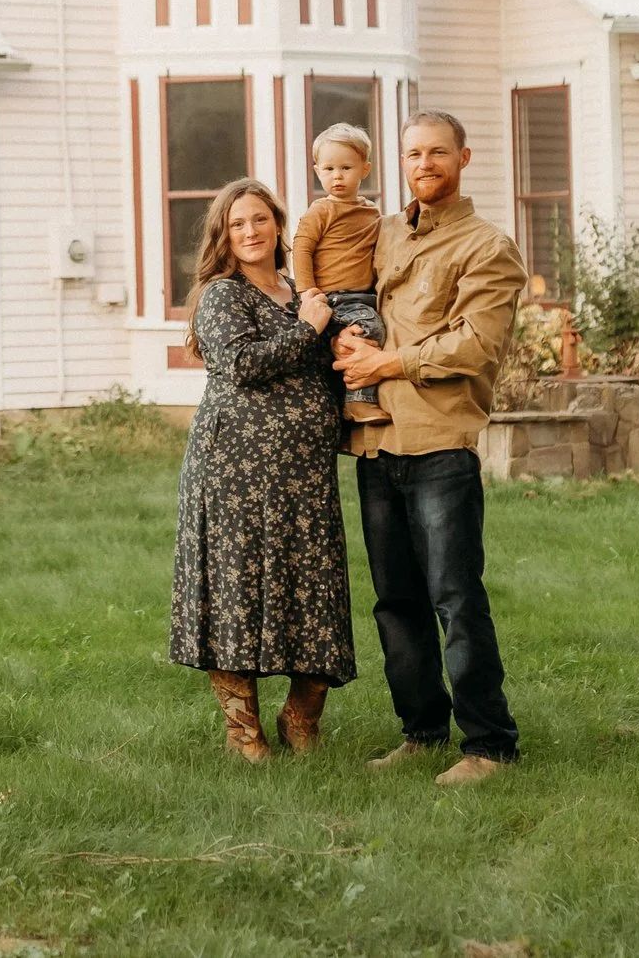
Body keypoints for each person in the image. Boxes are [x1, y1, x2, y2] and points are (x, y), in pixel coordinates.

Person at [331, 110, 529, 786]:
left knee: (454, 596)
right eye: (414, 153)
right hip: (377, 443)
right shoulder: (385, 233)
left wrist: (386, 363)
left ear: (464, 158)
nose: (424, 163)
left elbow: (476, 345)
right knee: (396, 600)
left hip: (440, 443)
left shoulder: (486, 246)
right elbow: (337, 285)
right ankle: (421, 731)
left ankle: (490, 745)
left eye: (438, 152)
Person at [169, 177, 357, 762]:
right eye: (236, 224)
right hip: (234, 471)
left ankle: (301, 719)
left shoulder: (302, 291)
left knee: (314, 589)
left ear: (278, 224)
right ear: (224, 236)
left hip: (304, 472)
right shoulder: (224, 295)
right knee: (237, 588)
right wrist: (310, 328)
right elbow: (243, 364)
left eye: (259, 219)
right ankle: (244, 735)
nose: (249, 232)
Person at [293, 122, 389, 427]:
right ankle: (357, 402)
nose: (337, 176)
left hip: (364, 295)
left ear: (365, 169)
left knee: (378, 330)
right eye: (329, 168)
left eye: (346, 167)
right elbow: (301, 248)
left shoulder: (372, 213)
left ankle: (345, 401)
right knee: (367, 330)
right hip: (335, 298)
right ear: (317, 170)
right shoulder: (320, 211)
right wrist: (306, 290)